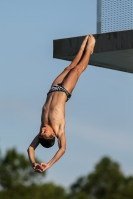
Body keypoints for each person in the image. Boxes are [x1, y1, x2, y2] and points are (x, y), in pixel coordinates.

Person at [27, 35, 96, 173]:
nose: (42, 130)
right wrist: (48, 164)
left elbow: (30, 147)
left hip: (53, 89)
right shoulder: (59, 130)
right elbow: (62, 149)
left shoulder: (43, 127)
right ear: (52, 135)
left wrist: (33, 163)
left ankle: (81, 48)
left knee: (69, 67)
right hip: (65, 90)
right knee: (77, 69)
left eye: (41, 132)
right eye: (45, 132)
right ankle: (89, 49)